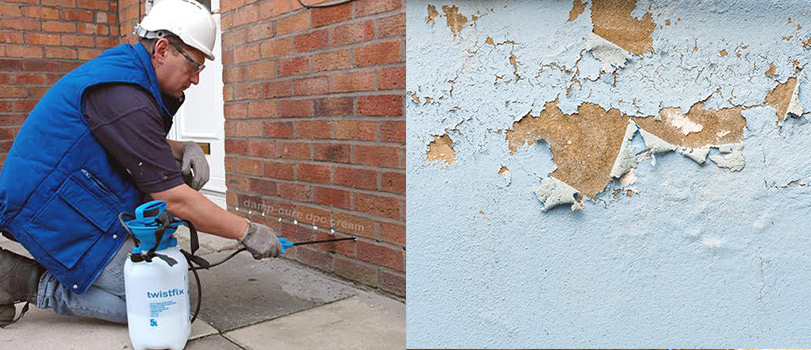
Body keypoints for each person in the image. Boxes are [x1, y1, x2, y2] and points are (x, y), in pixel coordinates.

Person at [0, 0, 282, 326]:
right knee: (154, 302)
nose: (196, 79)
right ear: (162, 50)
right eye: (194, 66)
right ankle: (20, 281)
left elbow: (125, 135)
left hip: (68, 191)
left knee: (163, 283)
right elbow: (174, 199)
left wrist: (181, 149)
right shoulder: (123, 92)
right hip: (44, 205)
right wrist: (246, 231)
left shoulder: (128, 72)